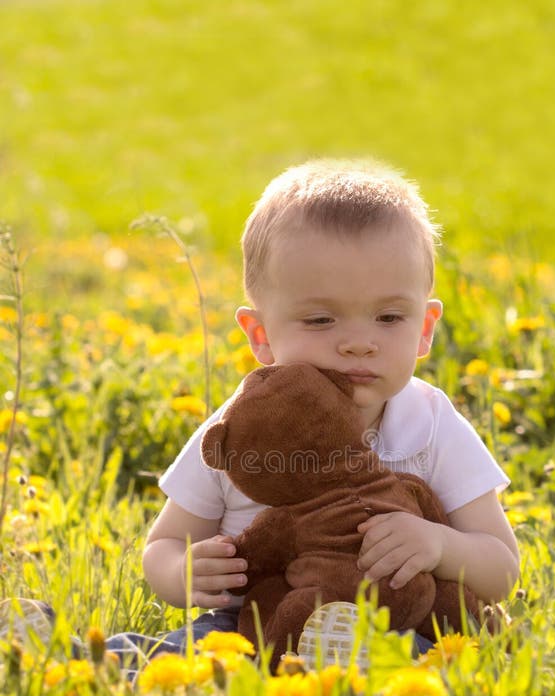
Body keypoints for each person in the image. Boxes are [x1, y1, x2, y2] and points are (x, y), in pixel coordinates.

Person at [139, 159, 520, 667]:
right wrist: (184, 572)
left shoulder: (431, 425)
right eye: (320, 320)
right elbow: (163, 544)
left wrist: (439, 545)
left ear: (425, 327)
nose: (359, 344)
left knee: (417, 660)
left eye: (389, 317)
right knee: (187, 658)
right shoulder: (243, 430)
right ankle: (42, 648)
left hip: (389, 623)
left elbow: (502, 568)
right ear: (261, 335)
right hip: (251, 625)